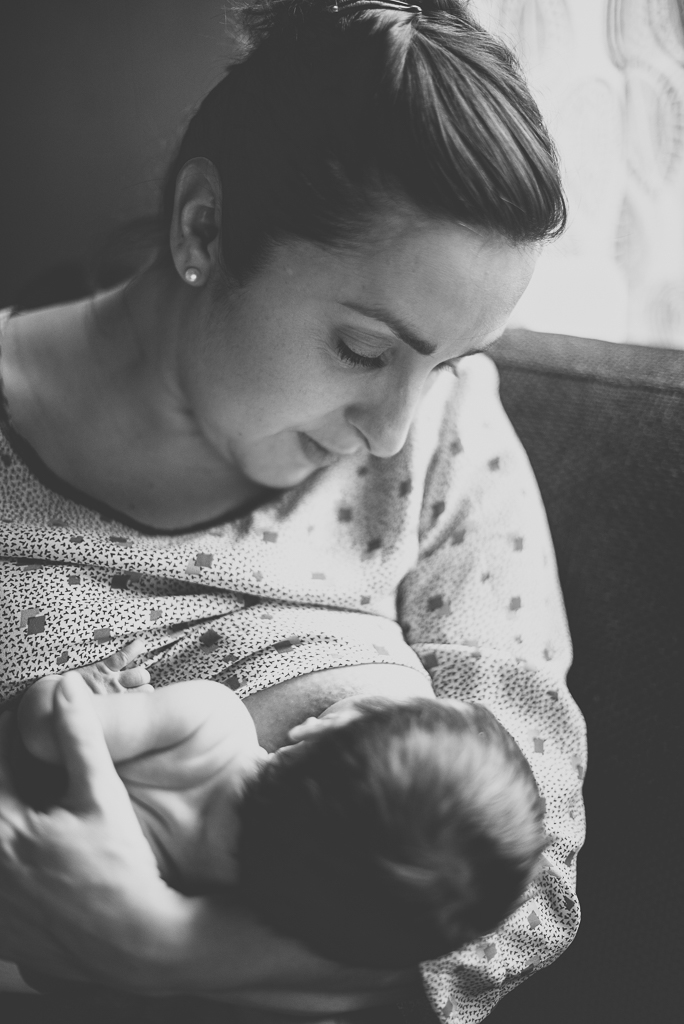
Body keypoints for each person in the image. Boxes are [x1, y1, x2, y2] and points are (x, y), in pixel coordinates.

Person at [0, 0, 587, 1019]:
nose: (396, 430)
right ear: (204, 225)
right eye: (363, 350)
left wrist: (160, 946)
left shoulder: (451, 435)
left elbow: (520, 880)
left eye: (445, 361)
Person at [16, 668, 548, 970]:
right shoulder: (230, 900)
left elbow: (47, 727)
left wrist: (89, 688)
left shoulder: (212, 723)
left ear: (314, 732)